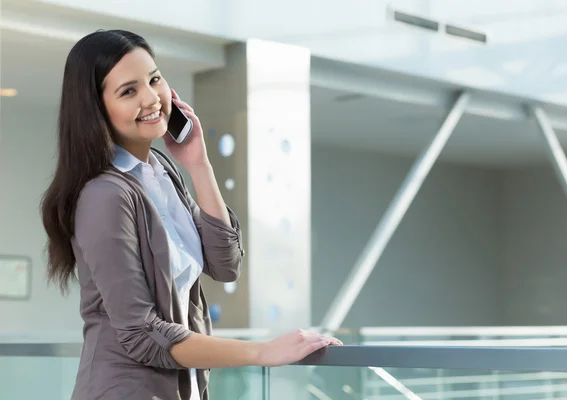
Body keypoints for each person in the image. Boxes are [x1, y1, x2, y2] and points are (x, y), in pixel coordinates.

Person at [40, 29, 341, 400]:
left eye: (154, 79)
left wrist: (198, 165)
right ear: (96, 109)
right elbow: (141, 333)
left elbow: (226, 264)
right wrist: (262, 352)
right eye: (128, 91)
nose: (152, 98)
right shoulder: (105, 195)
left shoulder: (163, 174)